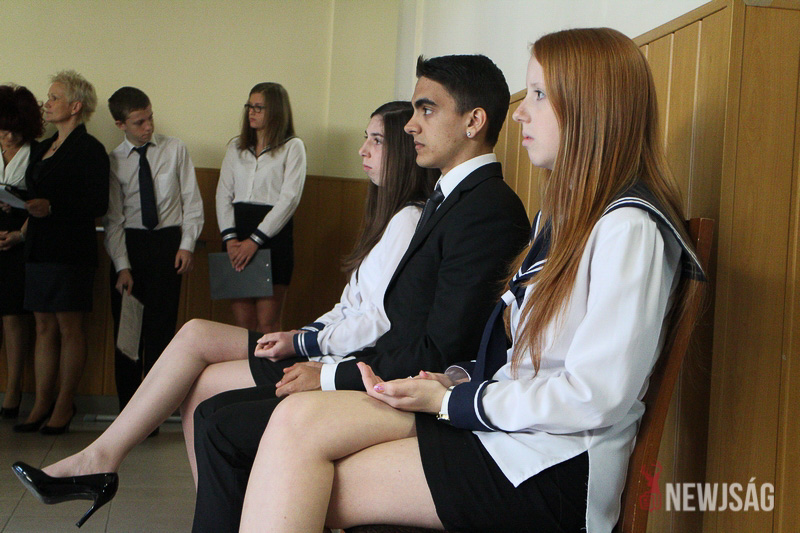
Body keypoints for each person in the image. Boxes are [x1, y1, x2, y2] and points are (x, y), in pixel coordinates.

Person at [236, 28, 707, 533]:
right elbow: (529, 358)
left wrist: (454, 401)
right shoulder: (564, 216)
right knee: (297, 419)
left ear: (592, 108)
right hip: (511, 433)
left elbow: (596, 394)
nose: (521, 112)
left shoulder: (629, 227)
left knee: (305, 481)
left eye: (540, 94)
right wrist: (454, 380)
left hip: (554, 467)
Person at [10, 99, 435, 527]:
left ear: (404, 152)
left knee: (202, 370)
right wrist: (302, 332)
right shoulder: (387, 217)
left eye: (376, 141)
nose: (362, 149)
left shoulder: (406, 220)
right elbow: (349, 306)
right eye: (365, 138)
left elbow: (375, 321)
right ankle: (155, 483)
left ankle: (115, 467)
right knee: (197, 349)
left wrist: (303, 342)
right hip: (310, 329)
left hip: (335, 352)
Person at [188, 54, 531, 533]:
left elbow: (442, 348)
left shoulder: (487, 209)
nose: (410, 125)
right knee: (214, 414)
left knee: (222, 426)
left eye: (427, 109)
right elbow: (395, 319)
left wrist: (331, 374)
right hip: (394, 373)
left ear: (474, 122)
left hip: (424, 392)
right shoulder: (450, 199)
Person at [12, 71, 109, 434]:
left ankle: (64, 405)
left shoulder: (90, 149)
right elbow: (33, 193)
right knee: (42, 326)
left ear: (76, 106)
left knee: (69, 328)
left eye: (54, 98)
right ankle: (41, 403)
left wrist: (52, 207)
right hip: (38, 246)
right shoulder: (41, 147)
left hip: (70, 250)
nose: (47, 103)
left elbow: (97, 203)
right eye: (48, 97)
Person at [104, 87, 204, 412]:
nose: (147, 127)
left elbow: (192, 202)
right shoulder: (115, 161)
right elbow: (114, 219)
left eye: (150, 118)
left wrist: (186, 245)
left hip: (167, 245)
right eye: (139, 122)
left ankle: (154, 412)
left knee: (161, 332)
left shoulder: (175, 150)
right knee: (128, 336)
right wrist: (122, 266)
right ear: (120, 124)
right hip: (131, 248)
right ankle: (128, 412)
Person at [216, 82, 306, 333]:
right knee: (243, 324)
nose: (251, 112)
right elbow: (223, 194)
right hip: (237, 235)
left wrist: (255, 240)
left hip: (272, 237)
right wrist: (230, 239)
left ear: (276, 111)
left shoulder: (292, 147)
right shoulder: (236, 147)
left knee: (267, 323)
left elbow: (289, 199)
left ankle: (268, 362)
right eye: (249, 106)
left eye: (259, 107)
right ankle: (244, 361)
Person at [0, 84, 43, 419]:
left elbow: (42, 204)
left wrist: (18, 235)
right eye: (3, 130)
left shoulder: (38, 154)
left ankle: (13, 391)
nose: (9, 137)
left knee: (13, 316)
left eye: (15, 130)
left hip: (21, 239)